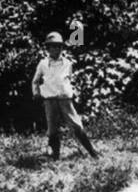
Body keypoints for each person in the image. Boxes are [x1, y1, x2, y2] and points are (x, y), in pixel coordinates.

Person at [32, 31, 99, 160]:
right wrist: (36, 93)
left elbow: (69, 79)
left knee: (77, 125)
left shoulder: (67, 63)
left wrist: (70, 92)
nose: (56, 49)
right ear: (48, 48)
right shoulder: (43, 64)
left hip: (65, 100)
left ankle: (92, 152)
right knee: (52, 129)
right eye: (53, 46)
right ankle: (55, 156)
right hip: (50, 101)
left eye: (59, 46)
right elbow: (35, 81)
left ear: (62, 48)